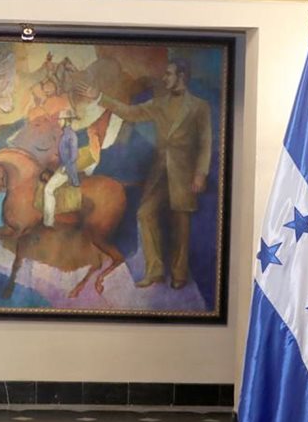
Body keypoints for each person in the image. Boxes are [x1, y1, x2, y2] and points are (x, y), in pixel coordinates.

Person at [78, 59, 212, 289]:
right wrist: (100, 97)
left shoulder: (200, 106)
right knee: (145, 214)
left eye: (169, 74)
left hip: (184, 174)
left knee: (181, 223)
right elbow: (130, 113)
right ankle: (155, 271)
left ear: (181, 76)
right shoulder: (159, 104)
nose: (164, 78)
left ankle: (179, 274)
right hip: (159, 172)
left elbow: (205, 142)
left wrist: (200, 174)